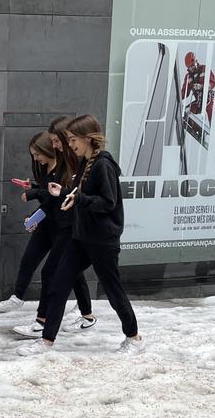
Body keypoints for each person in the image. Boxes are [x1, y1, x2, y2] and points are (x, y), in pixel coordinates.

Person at [19, 114, 144, 356]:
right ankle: (46, 341)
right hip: (81, 237)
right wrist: (64, 192)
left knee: (113, 290)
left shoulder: (103, 165)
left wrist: (78, 198)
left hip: (102, 240)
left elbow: (108, 202)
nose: (70, 144)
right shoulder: (86, 162)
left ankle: (134, 337)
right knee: (58, 283)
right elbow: (85, 196)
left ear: (88, 139)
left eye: (73, 139)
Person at [0, 120, 92, 325]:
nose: (56, 145)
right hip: (52, 222)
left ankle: (48, 320)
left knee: (60, 273)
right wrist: (37, 199)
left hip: (67, 226)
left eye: (58, 141)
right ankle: (34, 310)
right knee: (37, 262)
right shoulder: (54, 167)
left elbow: (57, 197)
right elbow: (52, 196)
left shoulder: (74, 165)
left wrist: (33, 194)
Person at [182, 51, 215, 122]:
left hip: (208, 98)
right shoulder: (188, 77)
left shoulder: (204, 69)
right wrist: (176, 96)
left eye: (192, 65)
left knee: (209, 109)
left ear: (195, 61)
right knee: (186, 111)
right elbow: (184, 92)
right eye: (189, 67)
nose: (191, 68)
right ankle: (195, 126)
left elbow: (212, 83)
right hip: (199, 102)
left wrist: (201, 86)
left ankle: (214, 128)